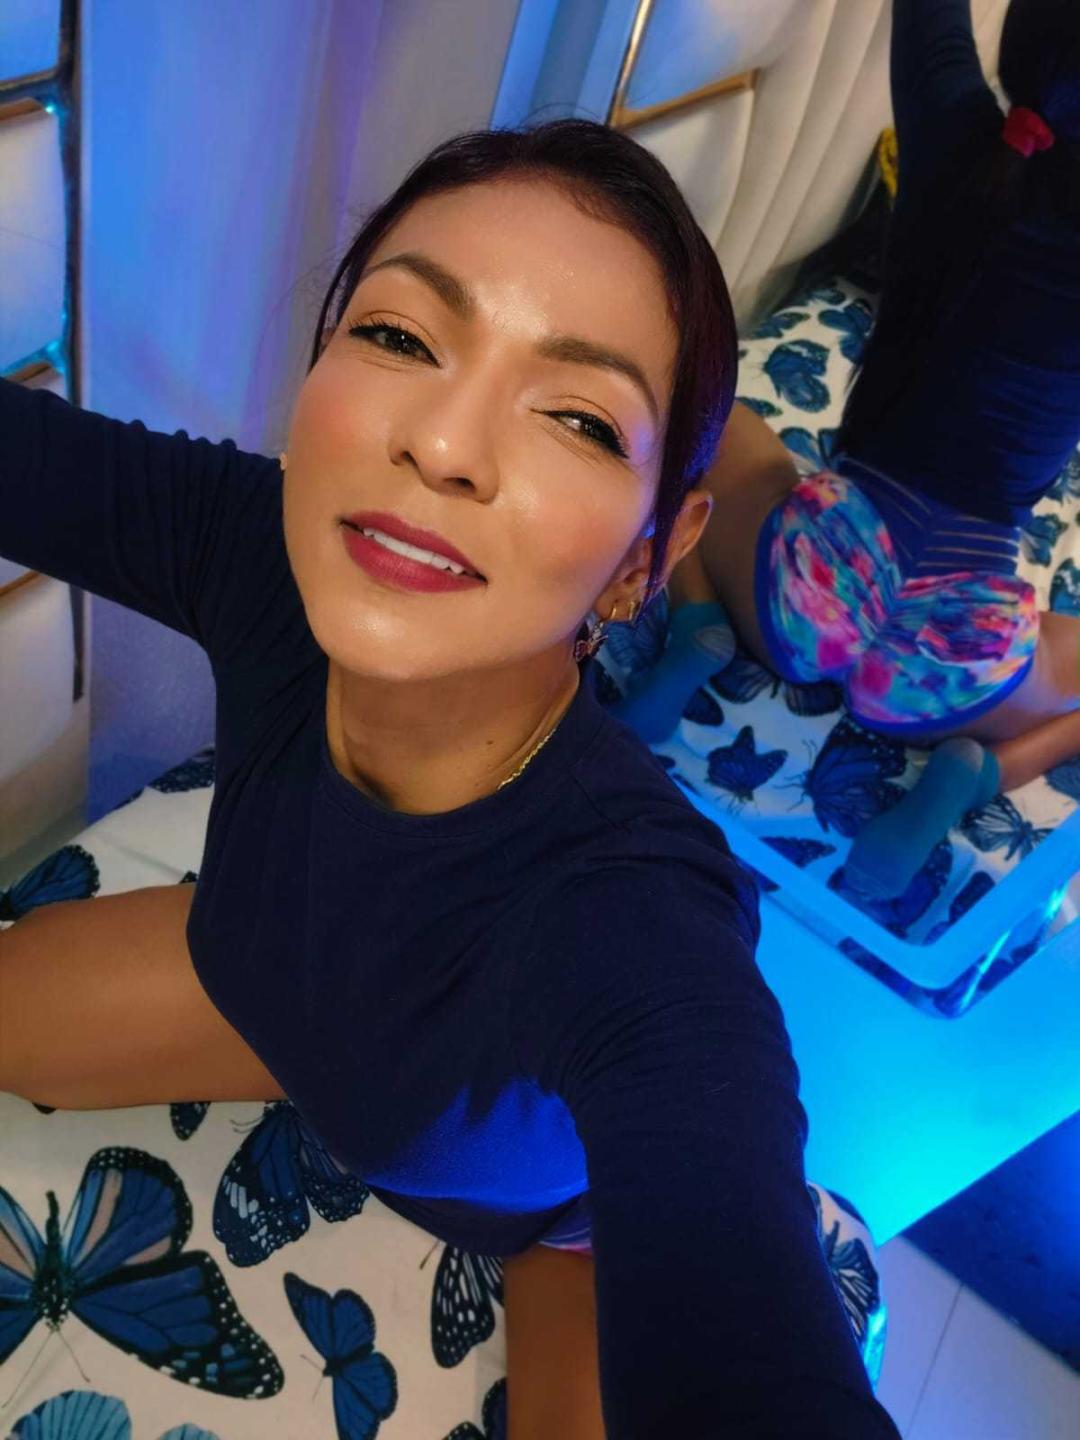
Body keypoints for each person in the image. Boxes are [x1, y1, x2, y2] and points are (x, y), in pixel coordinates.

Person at [0, 121, 900, 1438]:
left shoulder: (633, 928)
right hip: (275, 999)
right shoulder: (258, 554)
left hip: (549, 1223)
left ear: (648, 558)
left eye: (578, 417)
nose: (442, 444)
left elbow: (746, 1339)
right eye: (400, 336)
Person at [618, 0, 1080, 899]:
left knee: (689, 413)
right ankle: (977, 775)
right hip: (949, 665)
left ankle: (698, 618)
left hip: (809, 584)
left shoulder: (958, 128)